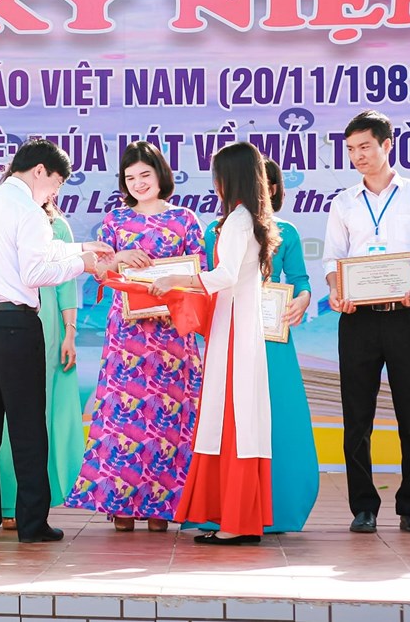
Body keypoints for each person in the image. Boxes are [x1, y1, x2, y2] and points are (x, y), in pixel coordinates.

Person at [0, 139, 113, 543]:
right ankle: (32, 524)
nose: (54, 193)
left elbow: (32, 250)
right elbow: (35, 271)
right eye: (57, 183)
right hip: (14, 325)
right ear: (40, 171)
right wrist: (83, 263)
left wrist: (81, 247)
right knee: (27, 426)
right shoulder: (29, 210)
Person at [65, 141, 206, 532]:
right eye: (130, 178)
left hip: (172, 334)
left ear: (161, 174)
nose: (139, 183)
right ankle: (121, 505)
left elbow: (200, 273)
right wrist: (117, 259)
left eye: (145, 174)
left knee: (168, 418)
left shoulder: (185, 219)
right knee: (123, 418)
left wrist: (173, 281)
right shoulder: (115, 221)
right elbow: (99, 272)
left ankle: (163, 507)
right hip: (127, 335)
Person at [323, 110, 410, 535]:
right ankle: (363, 507)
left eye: (365, 146)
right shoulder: (343, 202)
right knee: (357, 417)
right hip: (357, 319)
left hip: (407, 315)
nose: (358, 156)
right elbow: (332, 258)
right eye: (351, 149)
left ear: (387, 144)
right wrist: (336, 289)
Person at [152, 141, 279, 545]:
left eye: (218, 174)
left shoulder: (239, 220)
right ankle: (235, 517)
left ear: (231, 176)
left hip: (235, 326)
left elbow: (225, 275)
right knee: (234, 418)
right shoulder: (248, 217)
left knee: (232, 418)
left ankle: (236, 521)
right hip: (234, 323)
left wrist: (176, 280)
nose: (214, 183)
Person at [196, 159, 318, 533]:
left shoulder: (285, 232)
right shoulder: (217, 230)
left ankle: (277, 508)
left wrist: (302, 299)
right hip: (233, 330)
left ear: (274, 188)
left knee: (277, 417)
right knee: (231, 418)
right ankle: (232, 508)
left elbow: (300, 280)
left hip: (273, 335)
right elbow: (213, 279)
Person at [0, 173, 85, 532]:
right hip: (4, 319)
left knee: (38, 413)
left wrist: (70, 333)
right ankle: (5, 500)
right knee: (4, 414)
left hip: (46, 323)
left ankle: (32, 502)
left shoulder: (56, 226)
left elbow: (66, 283)